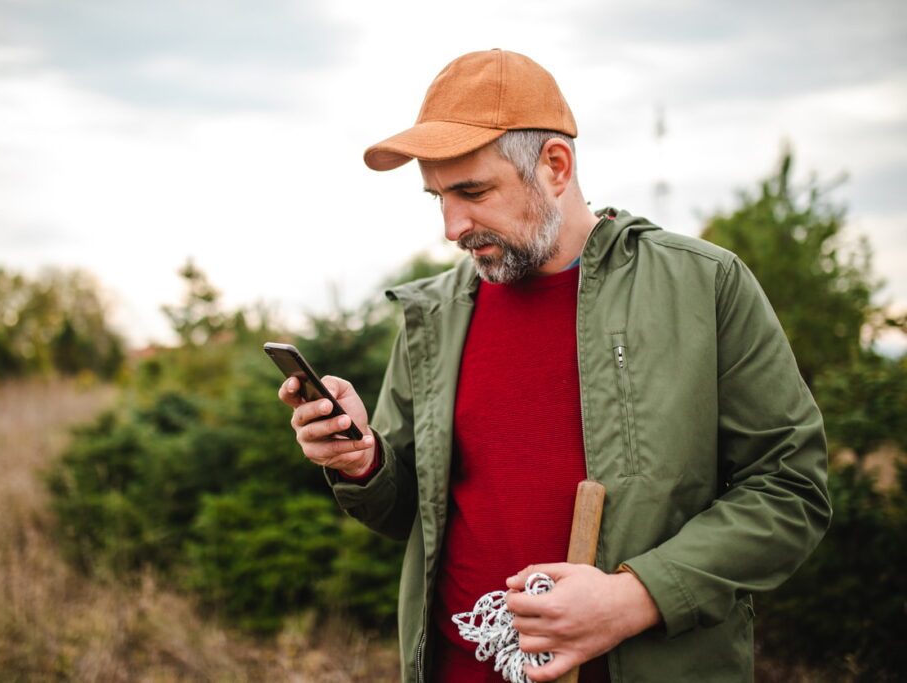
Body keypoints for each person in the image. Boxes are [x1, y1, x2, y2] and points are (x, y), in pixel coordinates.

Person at [278, 49, 830, 683]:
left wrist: (636, 596)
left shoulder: (703, 285)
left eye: (473, 191)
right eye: (438, 197)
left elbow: (790, 490)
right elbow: (412, 514)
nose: (452, 226)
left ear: (556, 166)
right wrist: (364, 461)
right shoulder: (434, 315)